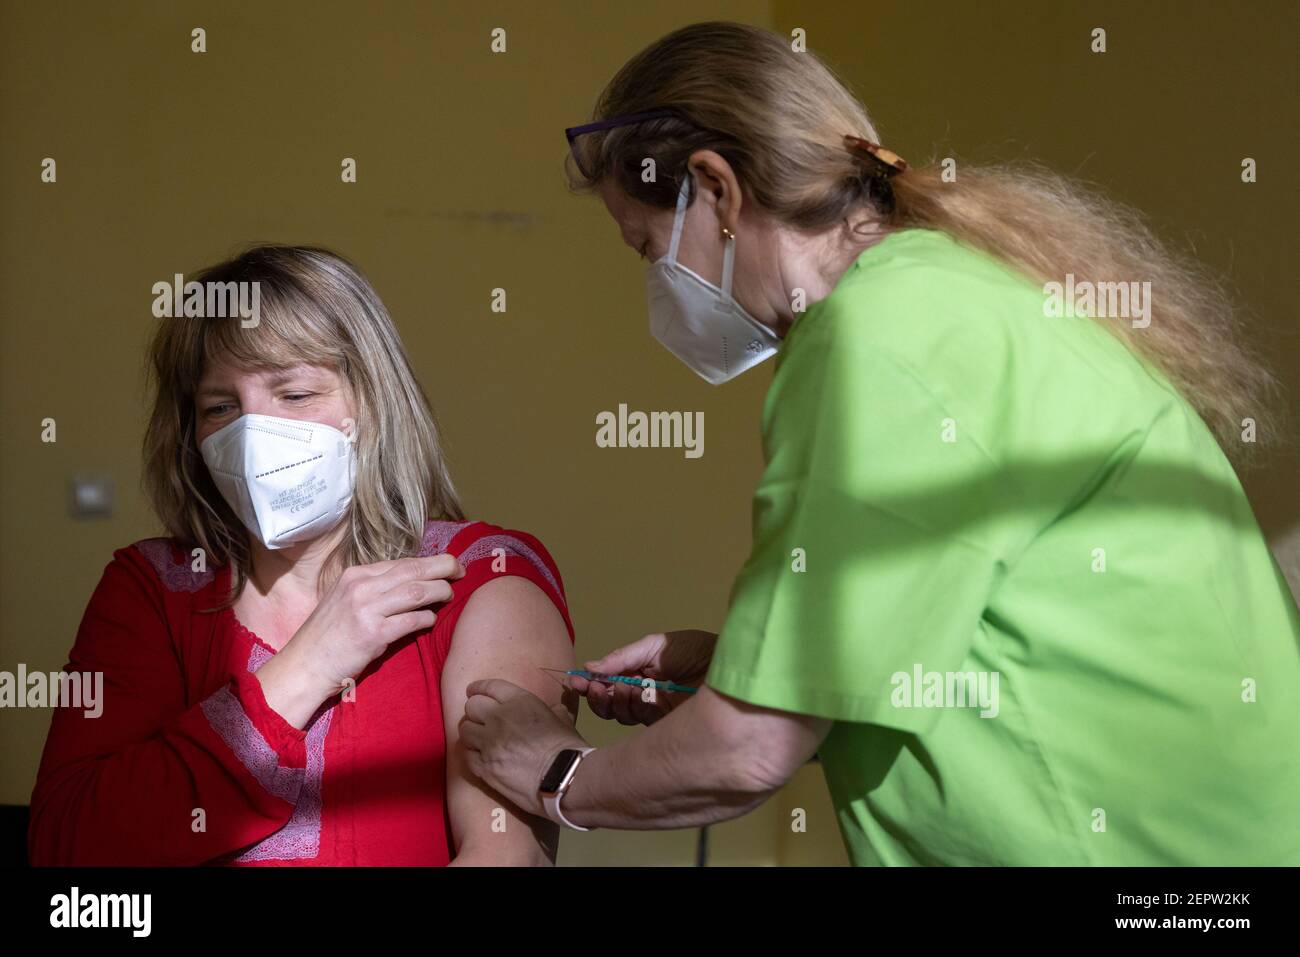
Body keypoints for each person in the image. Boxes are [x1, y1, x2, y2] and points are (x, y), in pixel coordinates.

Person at [462, 21, 1300, 865]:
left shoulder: (879, 338)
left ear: (716, 188)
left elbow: (749, 746)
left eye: (648, 247)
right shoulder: (955, 290)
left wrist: (562, 773)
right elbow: (966, 642)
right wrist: (745, 669)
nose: (656, 285)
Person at [29, 245, 577, 866]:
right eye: (220, 407)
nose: (254, 432)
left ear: (372, 402)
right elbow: (69, 849)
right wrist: (311, 663)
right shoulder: (154, 589)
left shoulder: (479, 578)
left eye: (294, 394)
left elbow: (504, 857)